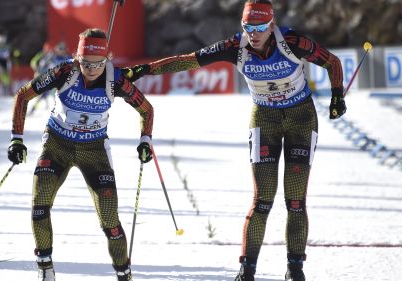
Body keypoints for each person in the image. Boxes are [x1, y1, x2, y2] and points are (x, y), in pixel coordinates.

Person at [123, 0, 346, 280]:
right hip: (265, 120)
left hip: (301, 118)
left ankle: (295, 269)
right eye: (248, 27)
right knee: (262, 200)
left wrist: (337, 95)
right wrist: (145, 70)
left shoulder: (292, 42)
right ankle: (247, 270)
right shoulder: (234, 47)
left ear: (272, 25)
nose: (254, 33)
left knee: (295, 202)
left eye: (261, 27)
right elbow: (189, 60)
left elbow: (332, 62)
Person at [7, 27, 154, 281]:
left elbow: (147, 109)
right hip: (57, 145)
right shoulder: (65, 71)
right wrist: (16, 140)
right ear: (77, 57)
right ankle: (45, 269)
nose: (90, 69)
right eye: (85, 62)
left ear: (106, 59)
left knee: (109, 219)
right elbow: (23, 95)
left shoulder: (116, 80)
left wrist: (145, 140)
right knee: (40, 204)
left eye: (97, 63)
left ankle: (124, 274)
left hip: (94, 150)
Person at [28, 41, 73, 115]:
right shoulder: (51, 56)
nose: (61, 51)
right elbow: (42, 65)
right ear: (56, 49)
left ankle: (66, 112)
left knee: (65, 95)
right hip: (51, 79)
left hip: (63, 81)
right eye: (60, 49)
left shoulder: (68, 57)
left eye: (63, 49)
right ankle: (33, 109)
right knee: (42, 95)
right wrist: (40, 73)